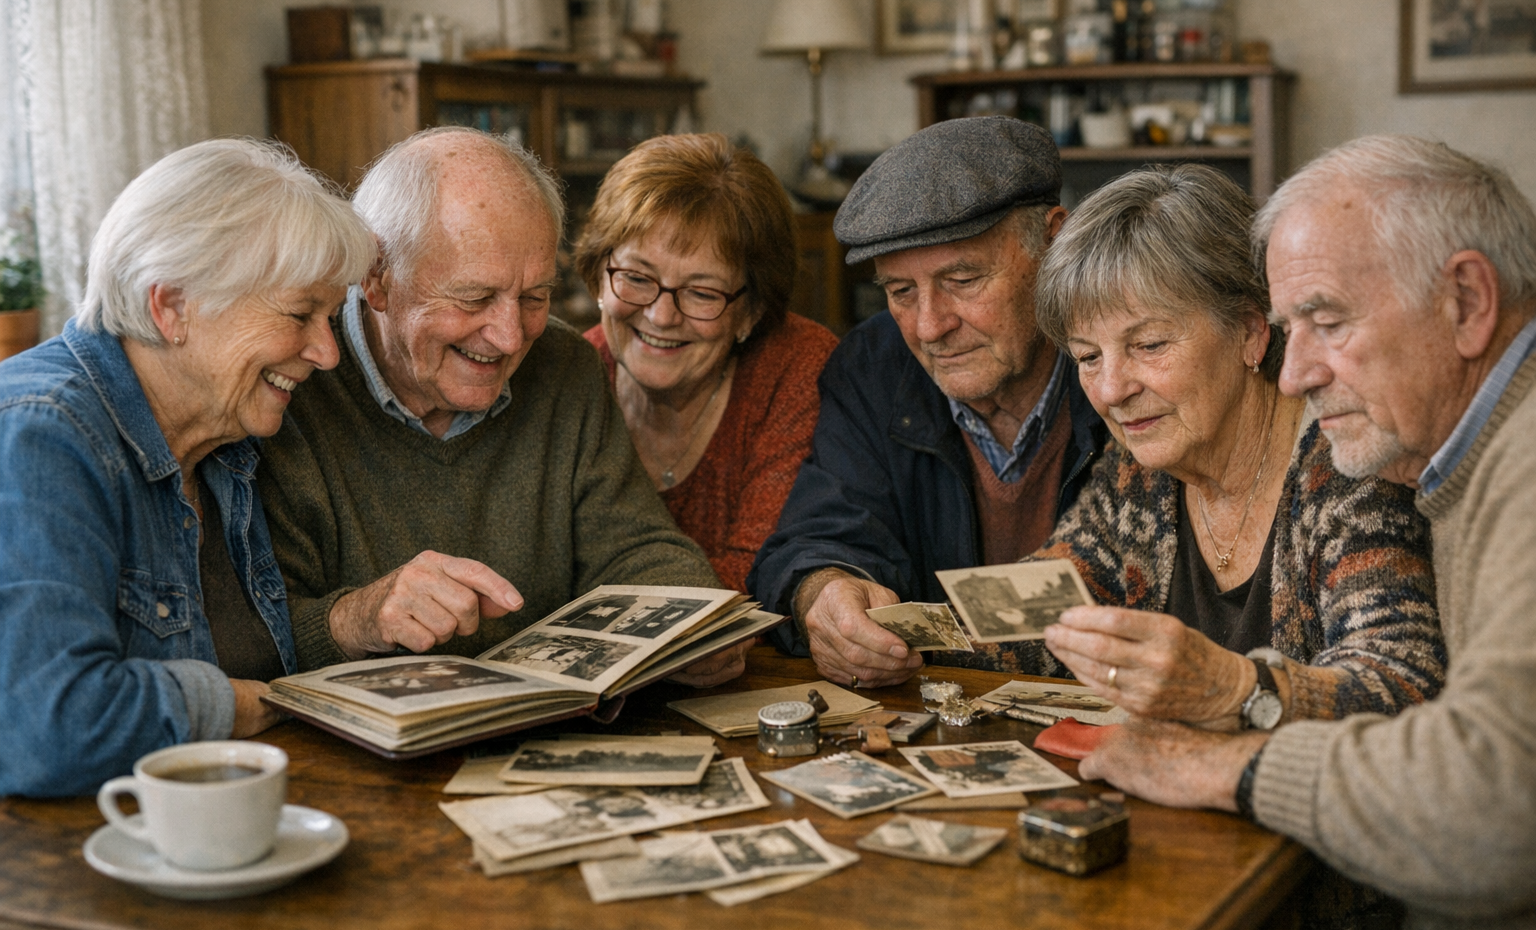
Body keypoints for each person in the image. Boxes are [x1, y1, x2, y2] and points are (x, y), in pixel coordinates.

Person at [1078, 136, 1536, 930]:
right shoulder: (1459, 452)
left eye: (1326, 322)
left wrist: (1225, 764)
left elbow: (1497, 810)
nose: (1292, 375)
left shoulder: (1522, 462)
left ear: (1469, 301)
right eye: (1292, 329)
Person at [257, 127, 741, 687]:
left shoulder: (563, 364)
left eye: (535, 297)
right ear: (377, 278)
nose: (511, 337)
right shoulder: (289, 384)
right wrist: (356, 617)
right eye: (475, 298)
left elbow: (635, 546)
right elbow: (246, 635)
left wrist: (700, 624)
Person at [0, 139, 375, 795]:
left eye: (330, 317)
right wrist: (231, 706)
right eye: (299, 315)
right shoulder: (42, 432)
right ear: (171, 306)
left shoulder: (226, 441)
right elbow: (48, 727)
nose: (327, 352)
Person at [1030, 164, 1444, 732]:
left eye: (1149, 344)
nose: (1110, 391)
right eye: (1087, 356)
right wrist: (892, 627)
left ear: (1251, 331)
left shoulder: (1347, 462)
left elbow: (1399, 681)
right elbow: (1032, 615)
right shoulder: (1142, 469)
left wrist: (1232, 688)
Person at [749, 116, 1109, 688]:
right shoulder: (873, 366)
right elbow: (821, 533)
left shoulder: (1125, 363)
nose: (929, 326)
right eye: (899, 291)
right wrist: (824, 593)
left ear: (1054, 241)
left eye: (963, 280)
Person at [576, 133, 838, 593]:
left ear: (751, 311)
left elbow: (762, 576)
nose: (661, 315)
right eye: (636, 277)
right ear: (599, 273)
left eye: (701, 293)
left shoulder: (795, 370)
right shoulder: (570, 377)